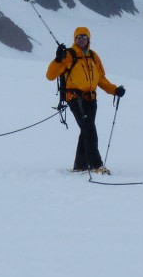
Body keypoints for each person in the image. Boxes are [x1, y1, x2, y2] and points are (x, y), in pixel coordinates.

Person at [45, 27, 125, 174]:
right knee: (89, 129)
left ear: (89, 39)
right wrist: (58, 60)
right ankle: (96, 165)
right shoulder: (68, 55)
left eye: (84, 36)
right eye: (78, 37)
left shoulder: (94, 56)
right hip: (76, 99)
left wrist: (114, 90)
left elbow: (100, 78)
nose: (81, 39)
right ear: (74, 38)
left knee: (86, 130)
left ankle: (80, 165)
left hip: (91, 100)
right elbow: (50, 75)